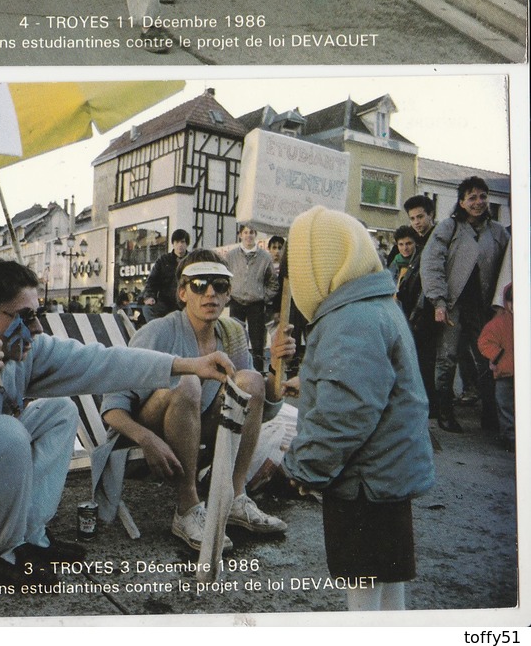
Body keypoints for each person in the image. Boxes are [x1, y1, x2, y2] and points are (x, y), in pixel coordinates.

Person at [0, 258, 235, 582]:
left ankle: (31, 536)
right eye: (24, 317)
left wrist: (188, 365)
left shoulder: (22, 351)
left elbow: (103, 362)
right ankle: (4, 553)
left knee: (59, 411)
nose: (38, 329)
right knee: (7, 431)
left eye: (37, 314)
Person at [280, 205, 434, 612]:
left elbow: (346, 411)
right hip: (388, 476)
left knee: (363, 589)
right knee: (387, 584)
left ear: (321, 264)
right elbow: (366, 382)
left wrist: (304, 465)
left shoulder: (350, 318)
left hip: (362, 483)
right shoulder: (378, 305)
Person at [101, 251, 288, 552]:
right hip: (148, 428)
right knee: (186, 379)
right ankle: (187, 507)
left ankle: (235, 497)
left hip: (196, 423)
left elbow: (256, 404)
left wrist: (278, 365)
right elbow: (111, 407)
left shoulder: (233, 331)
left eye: (220, 285)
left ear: (229, 294)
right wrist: (147, 439)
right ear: (182, 292)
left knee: (251, 380)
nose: (210, 293)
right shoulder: (157, 332)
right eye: (199, 284)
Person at [421, 175, 510, 433]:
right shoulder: (449, 229)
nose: (478, 202)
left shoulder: (497, 233)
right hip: (451, 304)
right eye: (472, 197)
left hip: (484, 307)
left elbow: (509, 270)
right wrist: (438, 301)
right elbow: (432, 264)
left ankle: (490, 414)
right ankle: (445, 412)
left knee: (487, 358)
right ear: (461, 202)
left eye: (483, 196)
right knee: (447, 358)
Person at [225, 223, 276, 370]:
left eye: (252, 232)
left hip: (256, 305)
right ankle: (237, 372)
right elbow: (225, 277)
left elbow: (273, 283)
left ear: (255, 235)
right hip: (236, 302)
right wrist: (228, 295)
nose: (249, 235)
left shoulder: (265, 257)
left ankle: (258, 374)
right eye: (246, 232)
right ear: (240, 235)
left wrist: (263, 295)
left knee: (257, 343)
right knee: (235, 340)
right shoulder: (231, 255)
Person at [477, 286, 513, 451]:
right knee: (505, 407)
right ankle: (509, 438)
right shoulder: (499, 323)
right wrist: (497, 356)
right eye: (511, 301)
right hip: (505, 373)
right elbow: (484, 342)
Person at [141, 229, 189, 321]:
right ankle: (158, 332)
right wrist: (150, 296)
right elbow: (152, 281)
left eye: (182, 242)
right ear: (173, 244)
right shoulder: (163, 261)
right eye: (177, 242)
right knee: (148, 309)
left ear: (186, 244)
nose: (180, 245)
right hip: (166, 303)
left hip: (186, 303)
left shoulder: (192, 260)